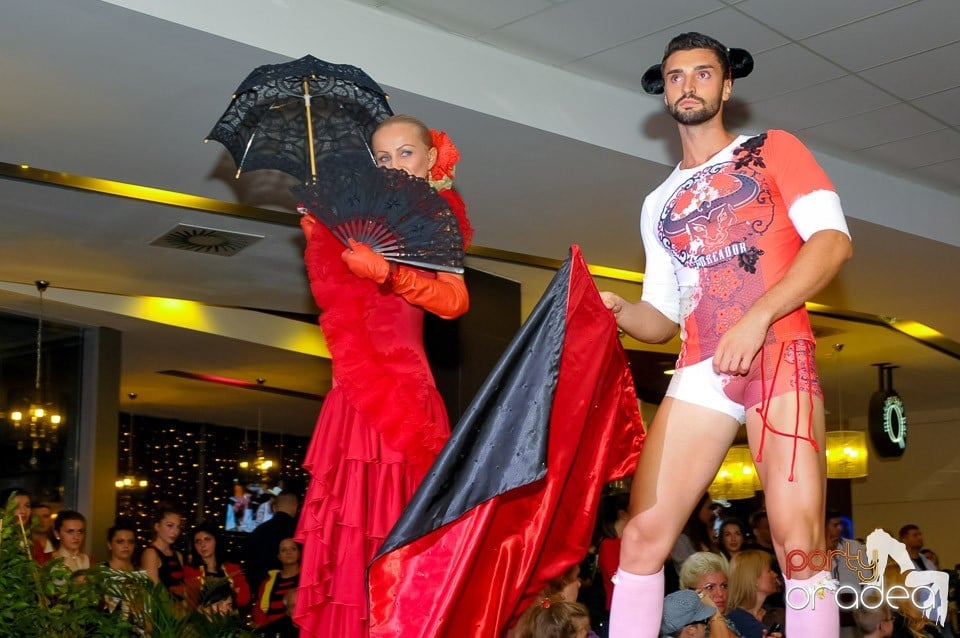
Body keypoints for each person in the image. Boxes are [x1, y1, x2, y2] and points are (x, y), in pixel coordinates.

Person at [601, 31, 852, 638]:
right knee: (641, 539)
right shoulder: (657, 201)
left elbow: (832, 242)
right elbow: (663, 320)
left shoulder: (772, 149)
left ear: (727, 84)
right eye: (676, 75)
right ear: (665, 90)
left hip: (778, 352)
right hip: (702, 367)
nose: (688, 85)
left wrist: (758, 317)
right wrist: (620, 309)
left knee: (798, 544)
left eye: (703, 73)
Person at [294, 113, 472, 636]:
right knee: (346, 535)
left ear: (430, 158)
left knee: (398, 527)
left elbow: (454, 302)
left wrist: (389, 274)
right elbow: (334, 299)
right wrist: (319, 239)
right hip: (351, 392)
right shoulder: (354, 216)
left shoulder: (437, 215)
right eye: (383, 157)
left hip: (403, 391)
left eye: (405, 153)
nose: (393, 165)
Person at [183, 522, 250, 611]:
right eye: (198, 541)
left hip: (228, 616)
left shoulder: (232, 568)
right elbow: (189, 603)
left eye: (207, 539)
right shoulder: (190, 571)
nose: (202, 545)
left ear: (216, 541)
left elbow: (244, 599)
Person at [246, 489, 298, 594]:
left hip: (262, 591)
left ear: (274, 508)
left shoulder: (257, 531)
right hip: (292, 590)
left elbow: (250, 568)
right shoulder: (299, 532)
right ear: (295, 507)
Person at [678, 552, 740, 637]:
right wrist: (714, 614)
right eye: (710, 587)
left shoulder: (726, 618)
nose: (720, 593)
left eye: (724, 586)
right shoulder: (690, 627)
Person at [726, 550, 783, 638]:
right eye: (769, 571)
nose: (775, 575)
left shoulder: (775, 613)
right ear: (754, 578)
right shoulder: (736, 617)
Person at [253, 538, 301, 636]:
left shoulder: (308, 579)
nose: (288, 552)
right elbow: (259, 609)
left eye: (293, 548)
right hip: (273, 632)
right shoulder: (268, 582)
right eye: (283, 550)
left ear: (299, 553)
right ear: (279, 556)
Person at [141, 507, 185, 600]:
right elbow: (153, 594)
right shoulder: (151, 554)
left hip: (180, 607)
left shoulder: (178, 555)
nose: (175, 531)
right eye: (170, 525)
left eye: (178, 527)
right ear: (157, 526)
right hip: (163, 608)